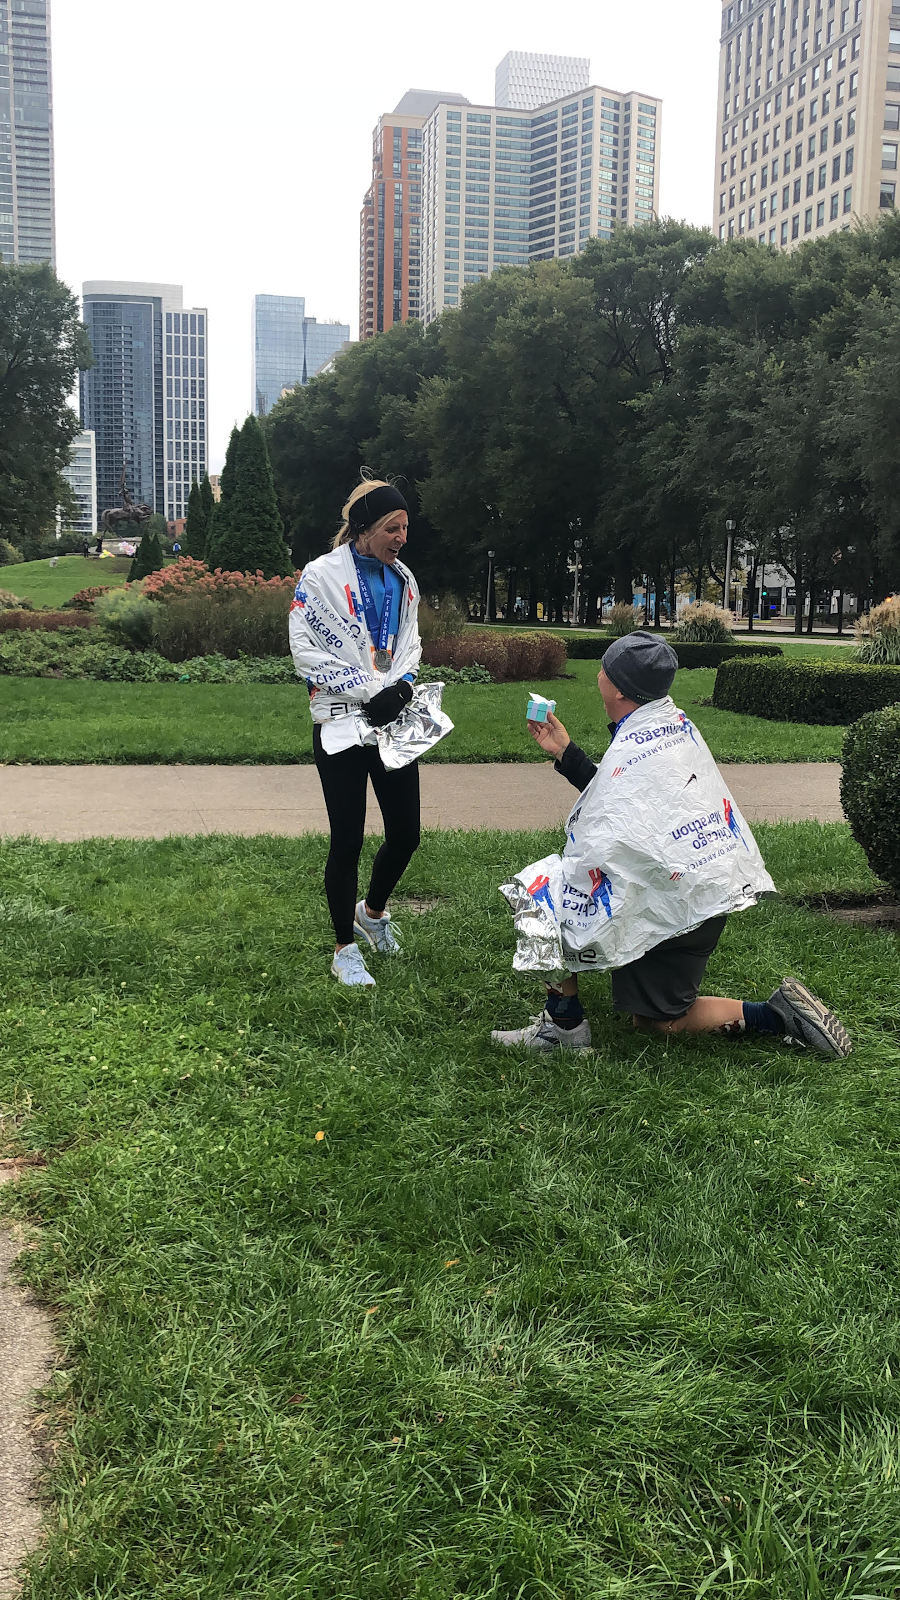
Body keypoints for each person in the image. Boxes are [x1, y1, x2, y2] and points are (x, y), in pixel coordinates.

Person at [492, 632, 852, 1058]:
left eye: (603, 671)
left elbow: (603, 840)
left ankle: (562, 1026)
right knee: (656, 1021)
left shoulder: (637, 740)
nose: (598, 677)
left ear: (618, 688)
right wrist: (566, 753)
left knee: (538, 891)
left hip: (672, 906)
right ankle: (776, 1016)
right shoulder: (669, 725)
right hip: (705, 898)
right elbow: (628, 802)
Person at [289, 479, 425, 988]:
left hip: (392, 720)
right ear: (364, 529)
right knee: (347, 837)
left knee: (406, 834)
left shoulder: (405, 579)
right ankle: (345, 948)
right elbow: (306, 647)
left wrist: (404, 685)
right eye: (393, 528)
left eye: (406, 528)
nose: (402, 537)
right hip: (341, 719)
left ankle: (373, 911)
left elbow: (411, 641)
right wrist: (369, 689)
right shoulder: (321, 576)